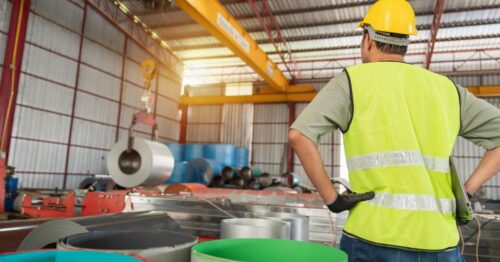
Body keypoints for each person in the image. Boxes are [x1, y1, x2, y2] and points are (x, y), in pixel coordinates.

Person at [288, 0, 500, 261]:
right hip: (441, 240)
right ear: (406, 42)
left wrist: (333, 199)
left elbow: (299, 135)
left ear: (368, 39)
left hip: (372, 238)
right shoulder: (446, 89)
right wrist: (466, 190)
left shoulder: (352, 81)